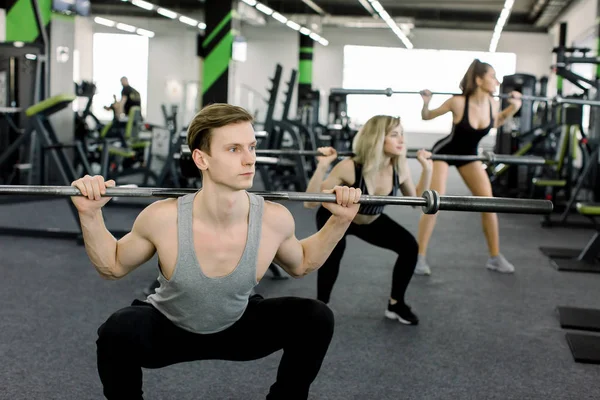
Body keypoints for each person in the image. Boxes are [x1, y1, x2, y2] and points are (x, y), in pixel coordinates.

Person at [70, 103, 363, 400]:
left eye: (252, 147)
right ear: (202, 158)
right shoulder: (162, 217)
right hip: (169, 329)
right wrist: (90, 215)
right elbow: (114, 266)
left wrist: (340, 220)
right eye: (234, 149)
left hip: (238, 326)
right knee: (116, 331)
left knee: (316, 316)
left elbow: (300, 264)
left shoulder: (273, 219)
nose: (250, 159)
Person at [304, 115, 433, 325]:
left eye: (402, 135)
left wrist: (427, 169)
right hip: (338, 218)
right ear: (376, 138)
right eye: (394, 135)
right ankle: (321, 306)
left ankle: (396, 304)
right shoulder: (349, 166)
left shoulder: (399, 167)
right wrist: (323, 165)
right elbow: (310, 203)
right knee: (333, 257)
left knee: (410, 248)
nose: (401, 140)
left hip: (370, 220)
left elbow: (418, 202)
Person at [415, 58, 523, 276]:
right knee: (436, 200)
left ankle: (494, 257)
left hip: (468, 155)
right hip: (444, 152)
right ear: (479, 79)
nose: (497, 82)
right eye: (492, 76)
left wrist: (514, 107)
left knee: (488, 203)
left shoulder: (493, 104)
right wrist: (426, 101)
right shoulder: (458, 102)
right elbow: (427, 117)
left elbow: (497, 121)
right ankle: (419, 256)